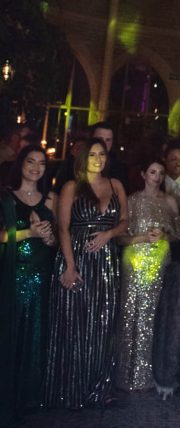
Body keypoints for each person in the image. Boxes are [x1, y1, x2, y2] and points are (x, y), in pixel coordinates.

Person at [44, 137, 128, 408]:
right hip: (77, 258)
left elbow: (125, 222)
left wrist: (108, 234)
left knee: (104, 324)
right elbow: (63, 228)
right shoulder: (71, 186)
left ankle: (101, 389)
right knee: (75, 322)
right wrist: (69, 266)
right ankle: (72, 390)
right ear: (83, 158)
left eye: (102, 154)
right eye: (92, 154)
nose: (98, 159)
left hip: (106, 261)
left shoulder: (116, 185)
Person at [0, 145, 57, 427]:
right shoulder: (6, 197)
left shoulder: (50, 199)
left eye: (42, 163)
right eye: (31, 162)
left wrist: (47, 239)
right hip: (13, 276)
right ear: (21, 163)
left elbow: (54, 241)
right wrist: (28, 232)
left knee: (34, 335)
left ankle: (26, 398)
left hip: (40, 275)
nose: (36, 168)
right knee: (10, 335)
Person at [116, 158, 180, 392]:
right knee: (129, 313)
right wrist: (142, 238)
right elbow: (119, 237)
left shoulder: (169, 201)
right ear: (143, 174)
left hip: (159, 261)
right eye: (152, 172)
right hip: (133, 261)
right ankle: (125, 374)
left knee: (153, 314)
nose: (157, 177)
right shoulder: (131, 200)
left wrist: (164, 236)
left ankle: (149, 374)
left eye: (160, 173)